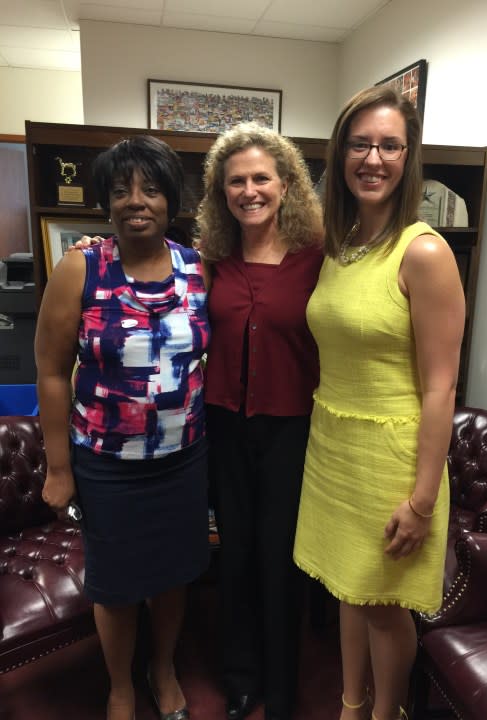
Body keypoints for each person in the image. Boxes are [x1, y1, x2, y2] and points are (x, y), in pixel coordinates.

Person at [293, 86, 465, 720]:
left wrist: (422, 500)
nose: (374, 158)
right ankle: (349, 705)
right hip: (335, 446)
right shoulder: (339, 246)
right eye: (360, 143)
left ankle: (387, 713)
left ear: (408, 157)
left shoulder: (423, 252)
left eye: (390, 145)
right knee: (349, 588)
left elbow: (441, 386)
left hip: (391, 458)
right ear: (340, 155)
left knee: (384, 607)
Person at [35, 135, 210, 720]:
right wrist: (59, 468)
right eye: (121, 190)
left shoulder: (199, 268)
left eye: (152, 189)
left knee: (174, 575)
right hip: (106, 464)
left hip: (184, 459)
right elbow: (53, 372)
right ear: (105, 203)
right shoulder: (79, 267)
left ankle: (162, 671)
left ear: (171, 201)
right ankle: (120, 686)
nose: (137, 201)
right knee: (114, 584)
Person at [195, 122, 323, 720]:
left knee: (280, 556)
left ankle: (281, 682)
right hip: (223, 424)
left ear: (286, 183)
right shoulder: (210, 260)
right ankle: (239, 675)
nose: (249, 190)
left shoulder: (318, 260)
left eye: (261, 178)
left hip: (291, 430)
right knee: (236, 552)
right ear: (222, 193)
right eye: (236, 182)